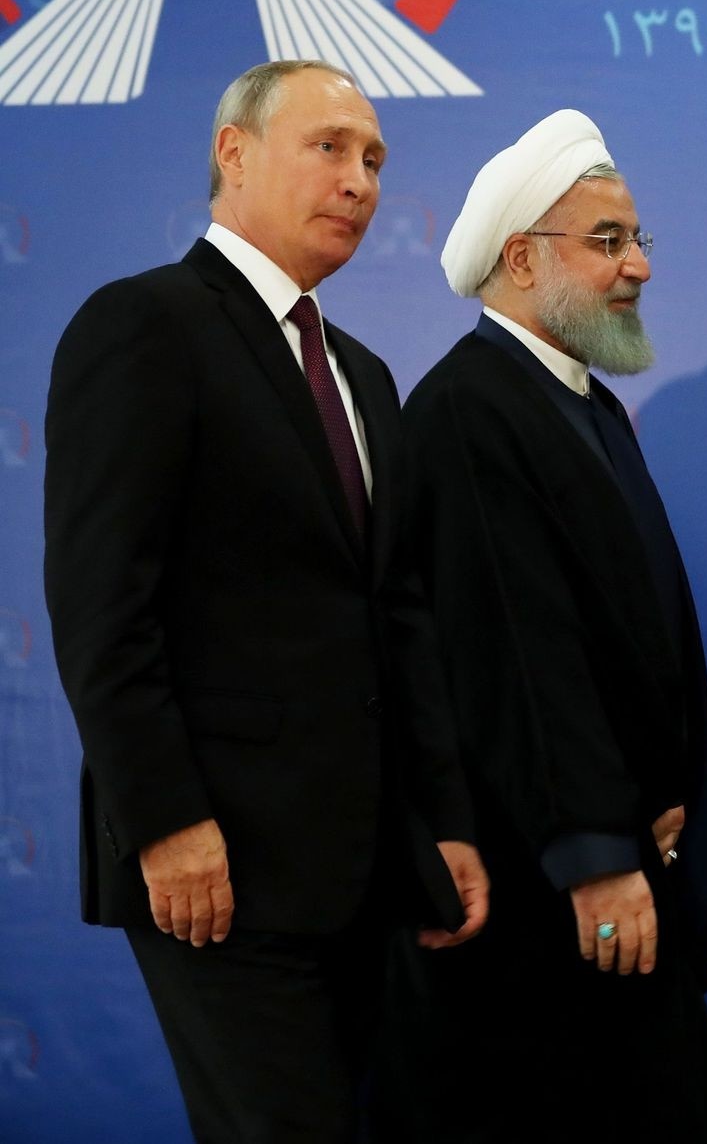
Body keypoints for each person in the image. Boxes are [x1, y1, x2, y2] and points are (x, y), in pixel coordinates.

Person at [42, 59, 488, 1143]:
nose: (359, 180)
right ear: (232, 156)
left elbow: (399, 620)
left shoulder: (366, 377)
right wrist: (166, 823)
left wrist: (445, 825)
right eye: (329, 147)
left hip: (366, 869)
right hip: (219, 869)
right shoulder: (144, 325)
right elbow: (103, 603)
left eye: (374, 159)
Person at [386, 110, 707, 1139]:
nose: (639, 268)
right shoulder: (470, 409)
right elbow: (519, 658)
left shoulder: (581, 404)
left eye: (639, 241)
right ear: (523, 261)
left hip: (627, 868)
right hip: (554, 903)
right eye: (609, 242)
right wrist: (593, 852)